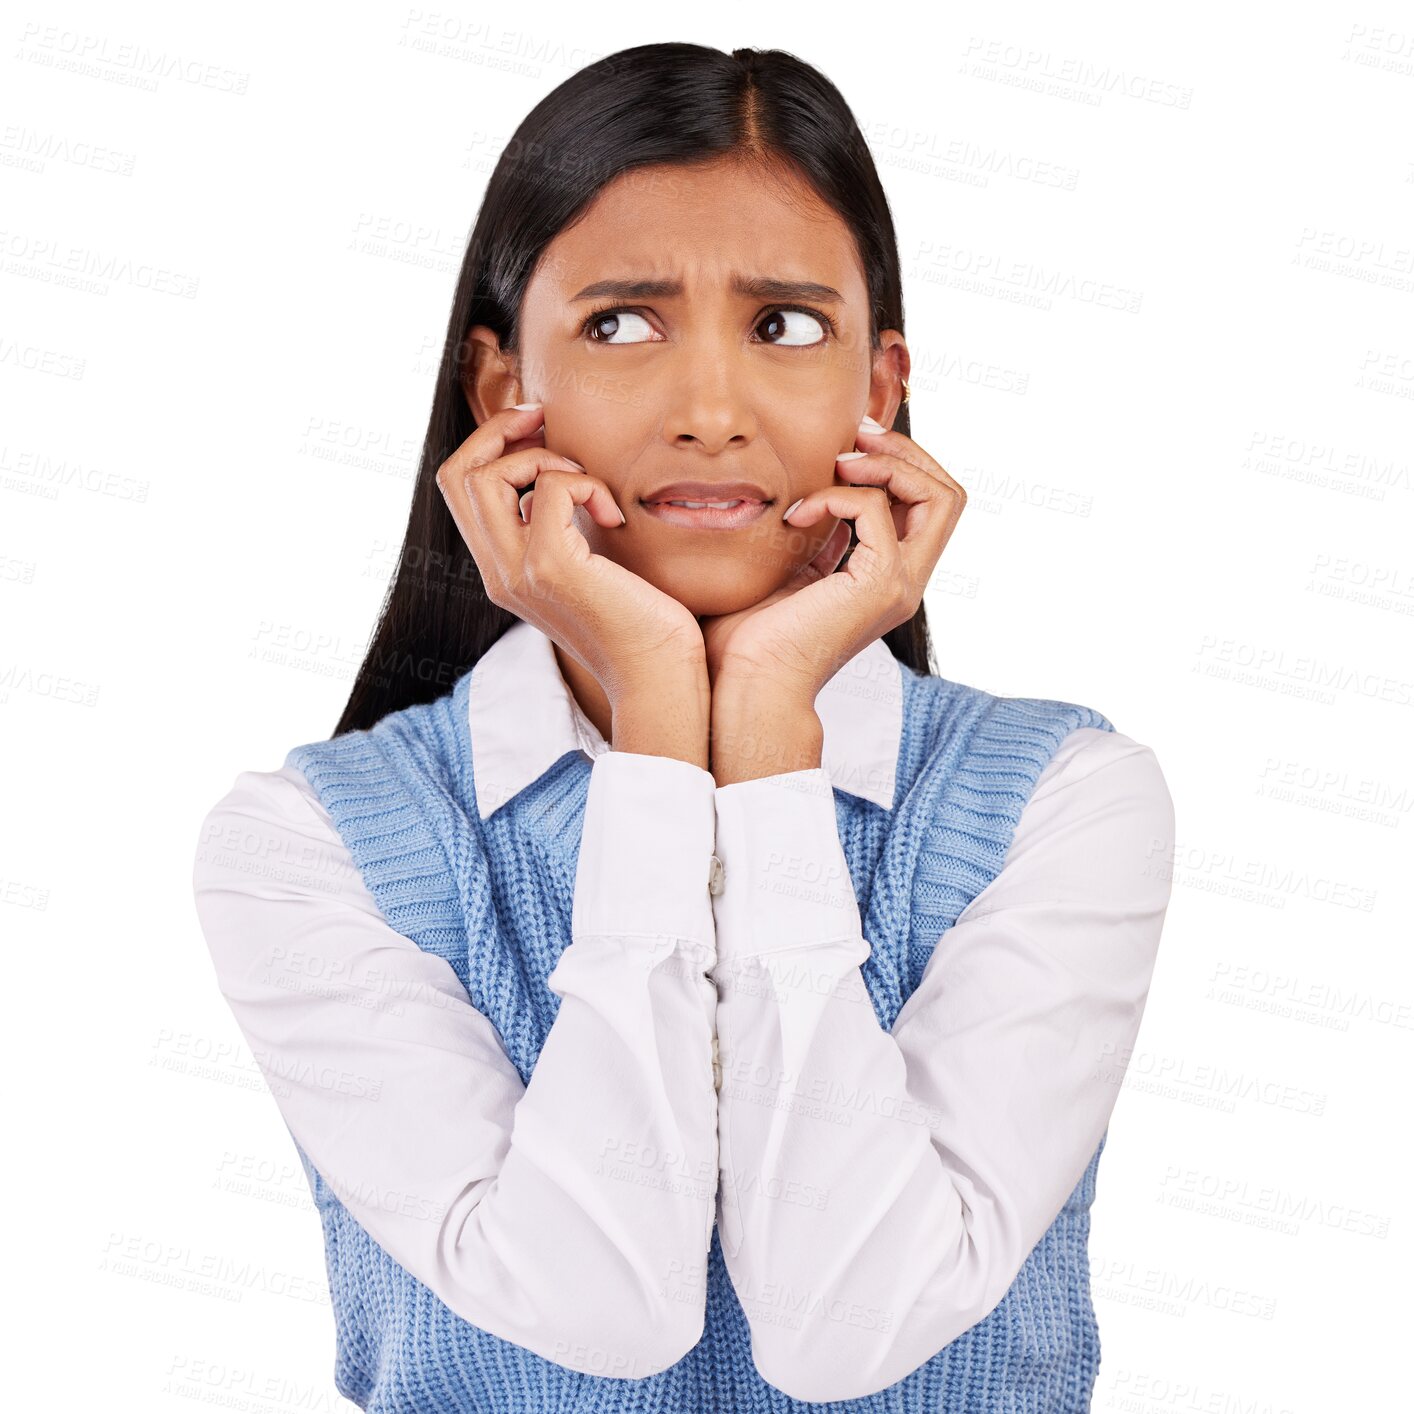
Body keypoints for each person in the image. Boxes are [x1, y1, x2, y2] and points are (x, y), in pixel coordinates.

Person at [192, 41, 1174, 1413]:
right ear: (497, 394)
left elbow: (846, 1328)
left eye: (781, 327)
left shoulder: (1062, 803)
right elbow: (597, 1305)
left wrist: (766, 723)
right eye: (620, 324)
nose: (710, 410)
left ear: (879, 391)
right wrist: (663, 722)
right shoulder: (310, 845)